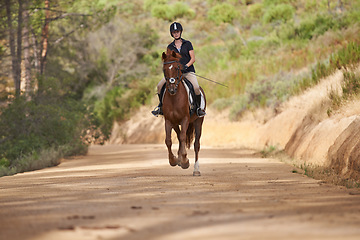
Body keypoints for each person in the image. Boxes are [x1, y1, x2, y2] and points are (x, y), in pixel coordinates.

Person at [151, 22, 206, 117]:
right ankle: (160, 106)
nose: (176, 34)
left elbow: (193, 58)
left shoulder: (187, 44)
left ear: (180, 32)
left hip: (188, 72)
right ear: (171, 33)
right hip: (174, 74)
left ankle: (198, 108)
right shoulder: (170, 47)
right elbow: (168, 60)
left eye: (177, 31)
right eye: (174, 32)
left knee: (196, 87)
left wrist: (186, 66)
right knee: (159, 86)